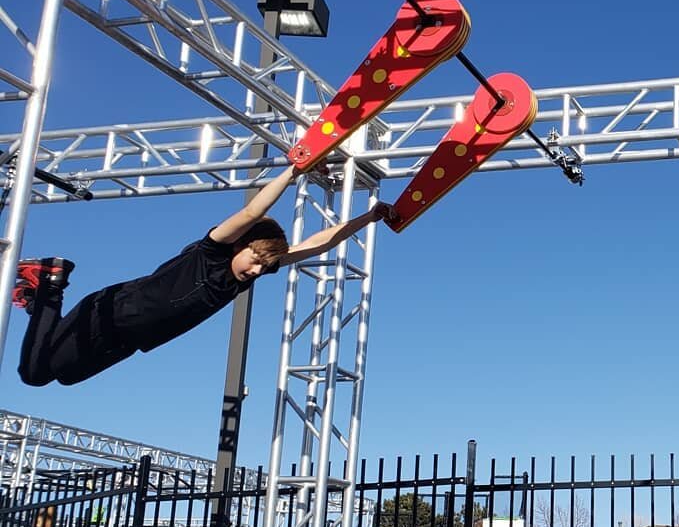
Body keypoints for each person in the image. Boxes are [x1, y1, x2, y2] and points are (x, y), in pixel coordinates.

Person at [12, 165, 398, 387]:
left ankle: (36, 298)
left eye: (265, 267)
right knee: (34, 373)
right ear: (240, 245)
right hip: (108, 312)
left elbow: (315, 246)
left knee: (61, 376)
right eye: (256, 260)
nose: (258, 270)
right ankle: (49, 283)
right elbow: (250, 215)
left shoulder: (248, 274)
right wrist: (294, 170)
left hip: (129, 340)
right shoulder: (211, 251)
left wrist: (368, 217)